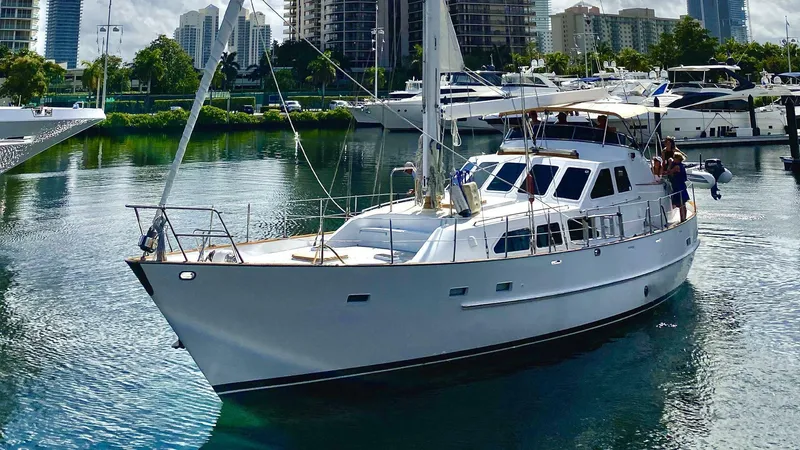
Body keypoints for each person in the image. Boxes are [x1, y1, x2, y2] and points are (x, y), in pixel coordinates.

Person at [668, 151, 690, 222]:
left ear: (678, 159)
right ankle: (683, 218)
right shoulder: (680, 165)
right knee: (682, 204)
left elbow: (669, 171)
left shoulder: (677, 166)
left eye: (674, 158)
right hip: (680, 185)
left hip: (679, 186)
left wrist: (670, 164)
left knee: (681, 204)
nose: (673, 159)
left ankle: (683, 218)